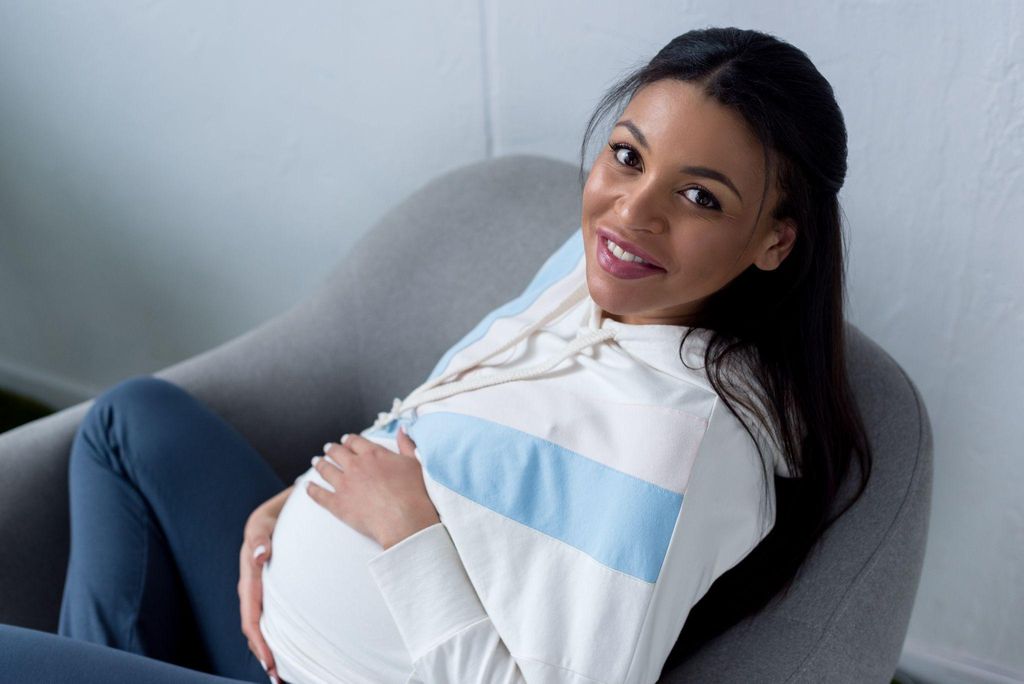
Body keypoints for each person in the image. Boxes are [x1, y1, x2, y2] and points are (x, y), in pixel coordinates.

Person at [0, 26, 871, 683]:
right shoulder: (597, 276)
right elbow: (442, 423)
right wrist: (292, 503)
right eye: (627, 156)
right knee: (131, 423)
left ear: (774, 241)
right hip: (284, 638)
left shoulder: (682, 442)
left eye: (698, 197)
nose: (629, 214)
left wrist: (408, 534)